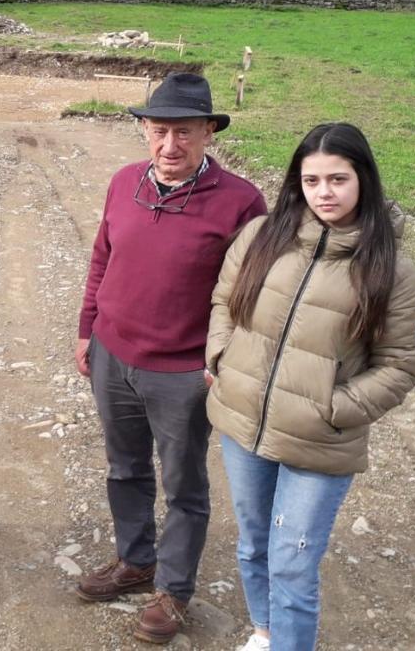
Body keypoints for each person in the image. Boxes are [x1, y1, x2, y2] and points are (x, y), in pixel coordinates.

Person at [206, 123, 415, 651]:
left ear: (363, 180)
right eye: (311, 181)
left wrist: (333, 408)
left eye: (338, 179)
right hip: (243, 422)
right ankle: (264, 631)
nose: (324, 193)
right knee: (254, 545)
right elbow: (223, 302)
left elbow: (399, 366)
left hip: (321, 440)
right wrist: (221, 357)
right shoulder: (261, 235)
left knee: (293, 562)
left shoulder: (391, 268)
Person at [74, 72, 267, 644]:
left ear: (209, 132)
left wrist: (221, 359)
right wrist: (88, 330)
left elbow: (248, 296)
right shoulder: (123, 182)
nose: (169, 146)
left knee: (183, 486)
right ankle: (135, 561)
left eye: (183, 133)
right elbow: (100, 260)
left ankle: (174, 588)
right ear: (144, 132)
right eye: (158, 132)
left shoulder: (241, 202)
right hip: (114, 354)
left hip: (184, 371)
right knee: (124, 468)